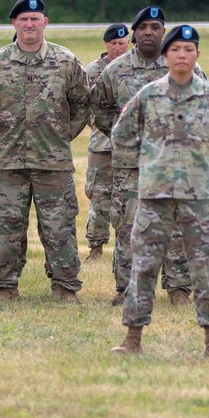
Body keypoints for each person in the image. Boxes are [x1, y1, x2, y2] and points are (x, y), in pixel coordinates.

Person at [110, 25, 209, 359]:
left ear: (197, 54)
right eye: (175, 50)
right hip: (155, 194)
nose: (182, 55)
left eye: (188, 49)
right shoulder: (148, 95)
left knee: (204, 267)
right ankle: (132, 338)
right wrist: (150, 159)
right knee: (143, 266)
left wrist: (205, 153)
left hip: (197, 195)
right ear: (166, 55)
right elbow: (121, 135)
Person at [0, 0, 90, 303]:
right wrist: (2, 132)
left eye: (35, 19)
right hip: (8, 163)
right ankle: (5, 286)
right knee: (6, 229)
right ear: (14, 24)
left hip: (54, 163)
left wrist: (63, 134)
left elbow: (82, 103)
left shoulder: (65, 61)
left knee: (59, 228)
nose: (29, 24)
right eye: (23, 19)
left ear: (45, 23)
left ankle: (65, 287)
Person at [92, 6, 200, 306]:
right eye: (143, 28)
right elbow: (99, 107)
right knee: (129, 226)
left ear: (164, 31)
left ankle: (178, 289)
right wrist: (122, 136)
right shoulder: (115, 70)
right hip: (131, 166)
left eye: (155, 26)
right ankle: (128, 289)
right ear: (134, 33)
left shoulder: (182, 64)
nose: (149, 32)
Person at [83, 23, 131, 262]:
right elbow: (86, 106)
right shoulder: (93, 70)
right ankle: (96, 247)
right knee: (100, 196)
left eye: (122, 43)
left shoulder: (133, 68)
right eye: (113, 43)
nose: (118, 48)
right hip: (102, 144)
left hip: (131, 147)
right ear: (106, 45)